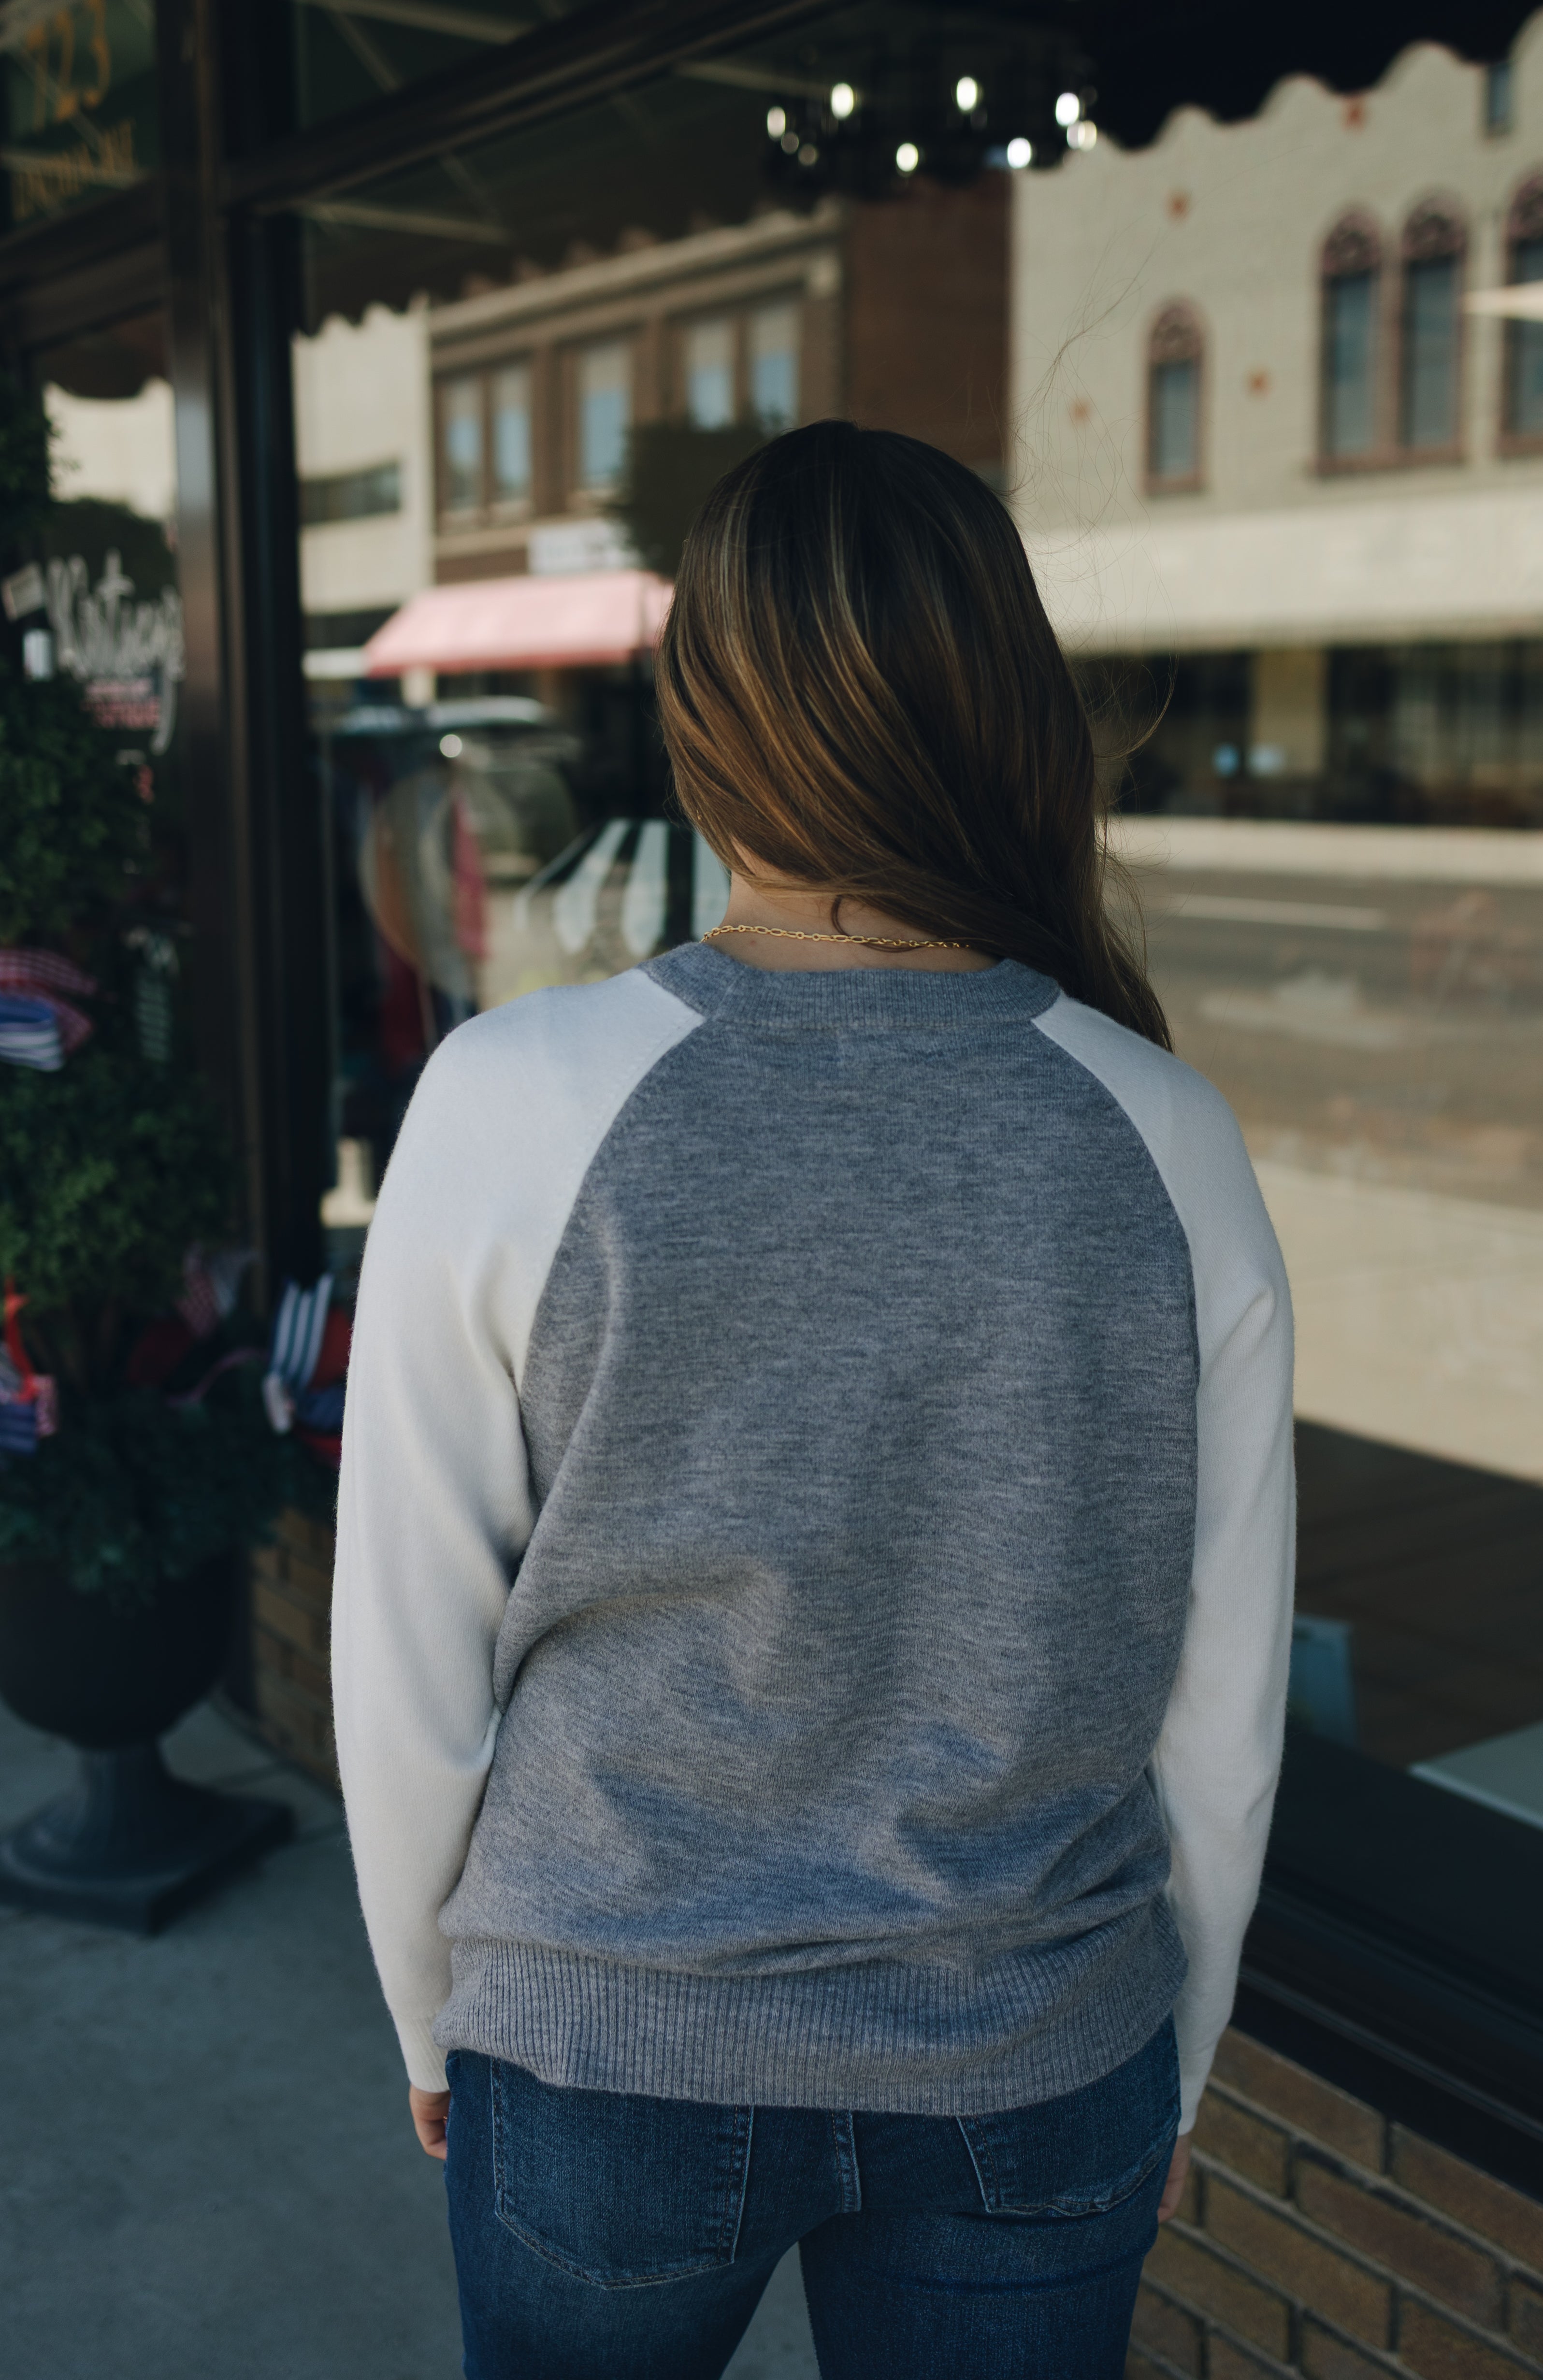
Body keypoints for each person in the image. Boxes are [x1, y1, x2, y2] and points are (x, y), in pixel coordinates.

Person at [332, 420, 1295, 2380]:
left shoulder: (513, 1097)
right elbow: (1222, 1695)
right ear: (1009, 716)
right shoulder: (1166, 1134)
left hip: (600, 2056)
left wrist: (434, 2005)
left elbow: (406, 1642)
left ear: (701, 731)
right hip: (1037, 2056)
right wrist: (1171, 2063)